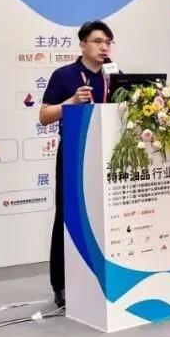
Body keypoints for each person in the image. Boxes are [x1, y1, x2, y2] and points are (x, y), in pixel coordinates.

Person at [39, 20, 115, 308]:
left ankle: (101, 280)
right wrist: (71, 101)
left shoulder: (113, 75)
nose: (104, 47)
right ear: (83, 44)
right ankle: (61, 285)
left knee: (104, 216)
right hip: (74, 155)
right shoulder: (64, 75)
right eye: (98, 41)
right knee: (68, 218)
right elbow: (44, 116)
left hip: (108, 156)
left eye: (108, 42)